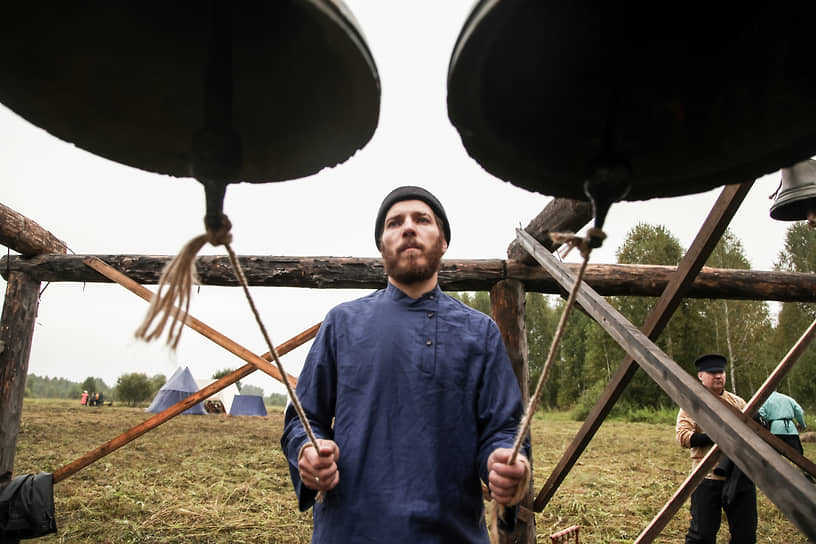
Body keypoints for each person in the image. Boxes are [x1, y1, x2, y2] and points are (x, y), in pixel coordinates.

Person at [281, 186, 531, 542]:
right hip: (351, 531)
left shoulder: (480, 332)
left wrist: (507, 464)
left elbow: (504, 431)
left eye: (422, 219)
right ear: (382, 245)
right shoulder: (341, 324)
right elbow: (305, 420)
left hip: (452, 532)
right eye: (394, 222)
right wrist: (307, 451)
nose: (408, 228)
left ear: (443, 240)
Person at [676, 353, 757, 544]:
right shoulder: (691, 403)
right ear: (701, 376)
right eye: (712, 372)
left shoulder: (738, 403)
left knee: (745, 536)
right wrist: (716, 437)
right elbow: (683, 437)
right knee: (701, 535)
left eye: (720, 372)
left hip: (739, 476)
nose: (718, 376)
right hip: (707, 478)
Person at [759, 390, 807, 455]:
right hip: (791, 430)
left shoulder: (766, 400)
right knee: (799, 455)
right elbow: (799, 412)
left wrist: (766, 424)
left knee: (773, 454)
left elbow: (761, 413)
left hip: (775, 430)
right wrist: (802, 425)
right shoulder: (787, 398)